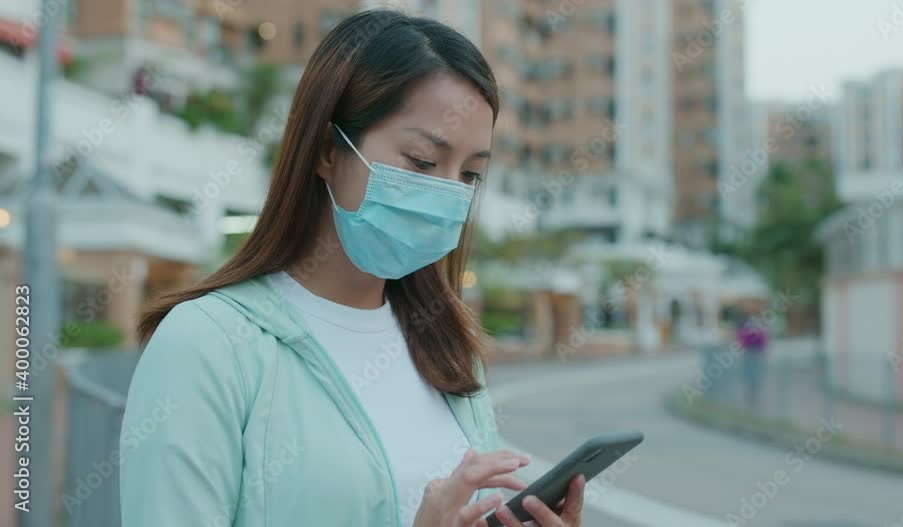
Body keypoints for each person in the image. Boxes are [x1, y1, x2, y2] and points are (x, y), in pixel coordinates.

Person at [119, 10, 584, 527]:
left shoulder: (450, 351)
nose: (449, 192)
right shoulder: (207, 345)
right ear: (326, 149)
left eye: (471, 174)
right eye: (423, 162)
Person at [737, 313, 768, 408]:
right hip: (752, 352)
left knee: (751, 373)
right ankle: (752, 392)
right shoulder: (757, 329)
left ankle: (751, 392)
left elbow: (742, 339)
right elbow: (763, 340)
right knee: (752, 373)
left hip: (751, 352)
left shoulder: (748, 329)